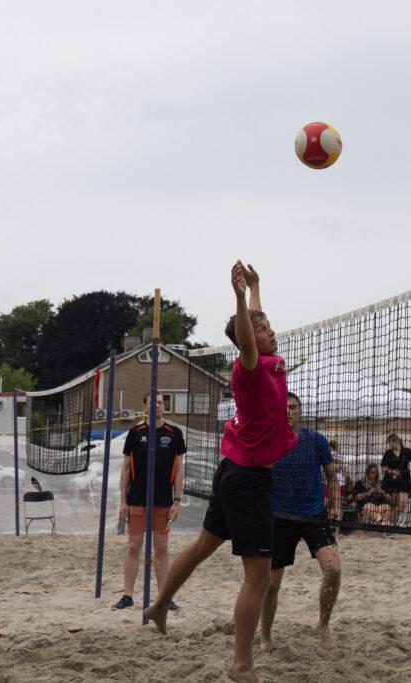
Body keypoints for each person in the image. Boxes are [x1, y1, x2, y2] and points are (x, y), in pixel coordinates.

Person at [144, 261, 297, 683]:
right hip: (247, 481)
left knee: (201, 547)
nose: (270, 331)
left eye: (268, 326)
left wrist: (256, 289)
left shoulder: (269, 360)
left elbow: (255, 325)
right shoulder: (249, 368)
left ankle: (159, 605)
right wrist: (240, 298)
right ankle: (241, 665)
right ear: (248, 339)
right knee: (259, 578)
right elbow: (247, 338)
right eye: (263, 329)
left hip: (234, 471)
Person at [260, 393, 342, 650]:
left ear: (301, 411)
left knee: (334, 570)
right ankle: (265, 636)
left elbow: (331, 476)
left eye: (293, 407)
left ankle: (323, 625)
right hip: (279, 517)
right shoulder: (269, 440)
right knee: (271, 584)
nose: (289, 411)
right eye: (284, 407)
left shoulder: (316, 440)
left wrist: (336, 504)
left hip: (314, 515)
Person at [112, 393, 185, 611]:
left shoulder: (174, 433)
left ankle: (164, 597)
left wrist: (177, 500)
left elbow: (179, 469)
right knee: (134, 547)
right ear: (145, 407)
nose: (157, 406)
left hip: (163, 501)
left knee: (161, 548)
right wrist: (123, 501)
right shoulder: (135, 433)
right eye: (152, 403)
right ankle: (127, 596)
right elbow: (126, 468)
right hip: (137, 500)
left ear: (164, 407)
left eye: (160, 403)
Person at [380, 434, 411, 525]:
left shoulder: (406, 451)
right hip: (391, 481)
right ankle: (392, 526)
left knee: (402, 503)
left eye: (390, 443)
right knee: (393, 504)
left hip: (404, 480)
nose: (389, 445)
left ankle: (388, 520)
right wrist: (392, 471)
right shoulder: (388, 453)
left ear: (395, 441)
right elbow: (383, 468)